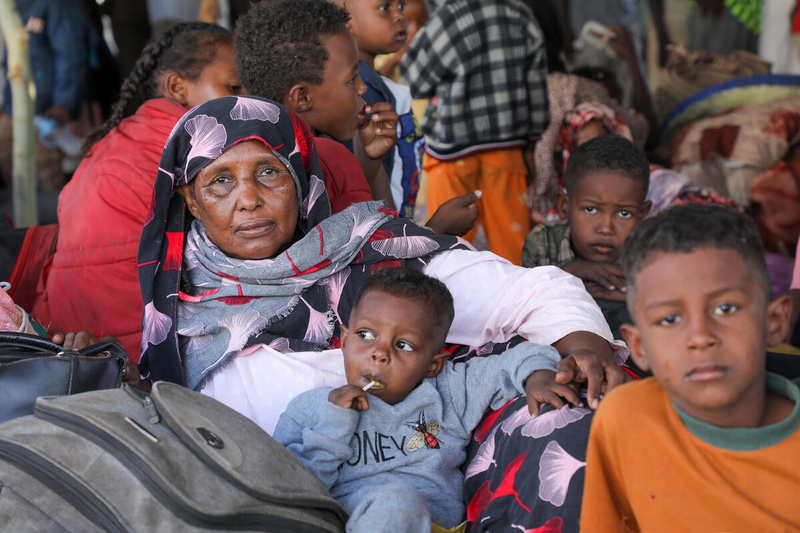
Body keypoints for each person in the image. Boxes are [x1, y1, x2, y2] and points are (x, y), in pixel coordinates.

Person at [274, 267, 562, 532]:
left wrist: (537, 374)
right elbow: (288, 492)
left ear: (432, 366)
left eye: (403, 345)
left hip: (427, 523)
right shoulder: (310, 408)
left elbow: (515, 359)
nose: (379, 353)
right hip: (333, 523)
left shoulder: (450, 391)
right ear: (346, 341)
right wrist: (334, 422)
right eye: (366, 334)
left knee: (397, 500)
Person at [31, 22, 243, 361]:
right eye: (233, 86)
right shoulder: (198, 150)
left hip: (62, 337)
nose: (247, 99)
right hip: (135, 352)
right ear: (177, 87)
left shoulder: (120, 138)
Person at [581, 204, 799, 531]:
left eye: (726, 308)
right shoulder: (624, 419)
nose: (700, 337)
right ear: (638, 347)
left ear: (775, 322)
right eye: (670, 319)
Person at [235, 0, 479, 236]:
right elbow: (375, 251)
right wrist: (438, 228)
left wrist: (370, 159)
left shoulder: (281, 156)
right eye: (352, 80)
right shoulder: (310, 164)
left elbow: (385, 225)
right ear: (302, 98)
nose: (362, 88)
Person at [401, 0, 549, 264]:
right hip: (507, 148)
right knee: (513, 245)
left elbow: (414, 80)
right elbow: (537, 89)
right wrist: (530, 144)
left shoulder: (447, 18)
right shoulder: (519, 13)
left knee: (448, 246)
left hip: (451, 152)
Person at [522, 135, 651, 338]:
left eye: (624, 213)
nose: (606, 228)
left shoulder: (651, 252)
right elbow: (522, 306)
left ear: (642, 215)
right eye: (591, 209)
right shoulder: (544, 241)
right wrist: (569, 274)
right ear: (565, 206)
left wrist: (641, 295)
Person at [336, 0, 423, 220]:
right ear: (347, 22)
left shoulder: (371, 79)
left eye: (401, 6)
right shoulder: (364, 88)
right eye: (384, 8)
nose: (399, 15)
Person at [0, 0, 89, 191]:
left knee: (47, 175)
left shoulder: (55, 5)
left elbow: (70, 53)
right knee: (10, 167)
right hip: (13, 105)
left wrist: (63, 102)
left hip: (44, 110)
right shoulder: (14, 6)